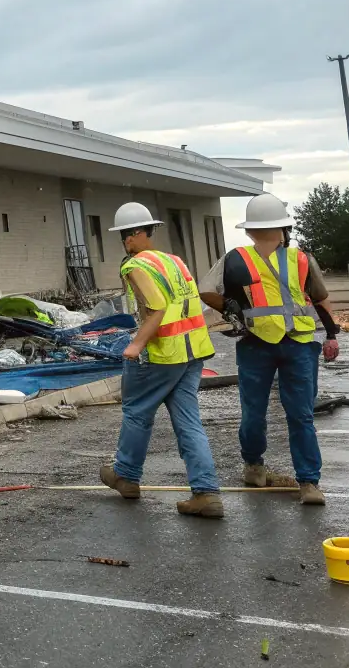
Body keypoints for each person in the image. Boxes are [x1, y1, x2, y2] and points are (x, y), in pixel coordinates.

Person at [198, 193, 341, 506]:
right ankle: (309, 483)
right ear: (283, 228)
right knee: (301, 415)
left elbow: (205, 292)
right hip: (299, 344)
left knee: (254, 412)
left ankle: (254, 466)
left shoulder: (234, 258)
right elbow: (320, 299)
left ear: (249, 231)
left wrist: (229, 308)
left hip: (255, 343)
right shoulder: (301, 258)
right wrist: (331, 334)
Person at [100, 202, 224, 518]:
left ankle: (126, 476)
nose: (125, 241)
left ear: (132, 237)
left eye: (125, 235)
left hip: (161, 353)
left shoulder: (134, 266)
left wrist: (135, 345)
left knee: (136, 412)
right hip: (192, 352)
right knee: (188, 420)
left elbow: (157, 308)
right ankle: (206, 492)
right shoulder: (175, 262)